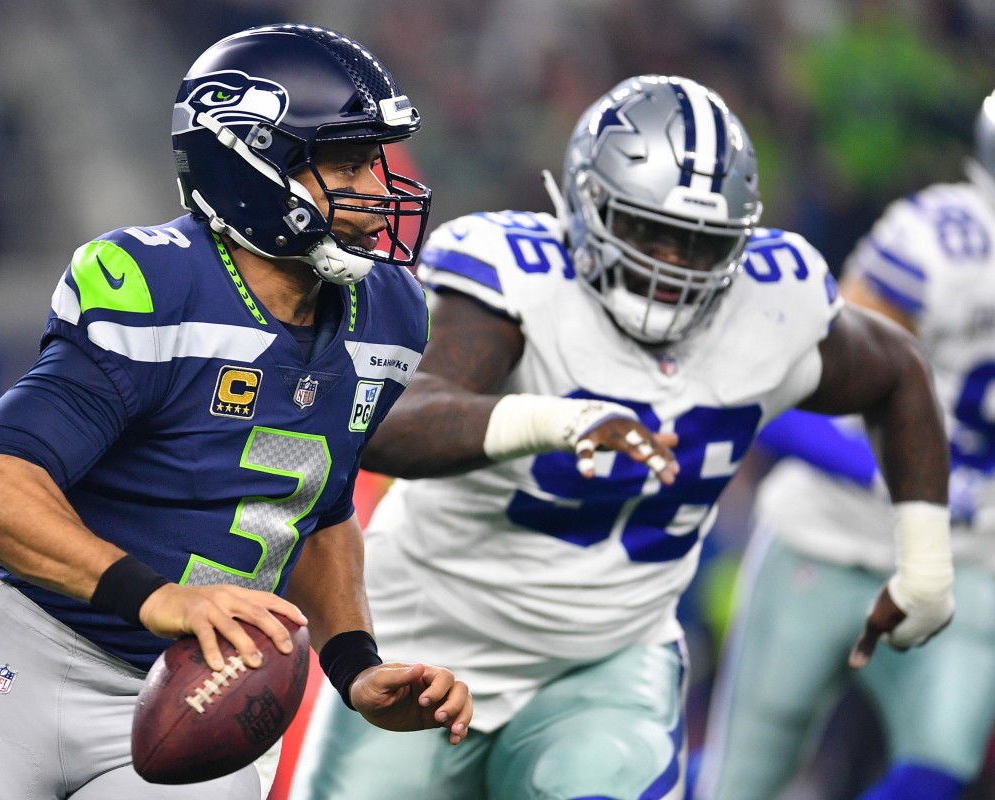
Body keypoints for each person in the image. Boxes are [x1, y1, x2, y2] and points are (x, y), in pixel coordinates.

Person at [289, 74, 955, 800]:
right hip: (427, 637)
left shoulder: (774, 302)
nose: (671, 264)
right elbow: (387, 426)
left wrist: (926, 562)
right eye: (649, 230)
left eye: (700, 242)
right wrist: (557, 419)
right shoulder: (518, 281)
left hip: (607, 663)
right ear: (586, 205)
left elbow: (898, 373)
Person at [0, 23, 474, 800]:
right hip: (34, 656)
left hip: (210, 690)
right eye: (347, 162)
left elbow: (316, 510)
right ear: (250, 162)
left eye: (375, 160)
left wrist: (355, 666)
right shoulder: (160, 285)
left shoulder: (391, 314)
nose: (376, 188)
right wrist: (157, 596)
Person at [694, 90, 995, 800]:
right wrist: (902, 473)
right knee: (742, 779)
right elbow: (790, 388)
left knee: (941, 765)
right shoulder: (941, 242)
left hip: (967, 559)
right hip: (827, 535)